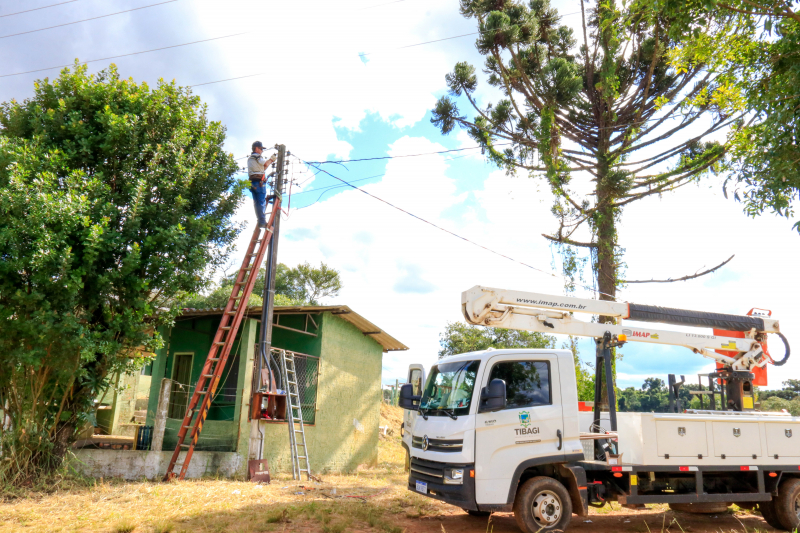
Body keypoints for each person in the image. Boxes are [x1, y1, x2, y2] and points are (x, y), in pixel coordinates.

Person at [248, 141, 276, 227]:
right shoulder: (257, 157)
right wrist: (272, 158)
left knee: (257, 202)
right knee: (261, 202)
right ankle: (262, 221)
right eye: (261, 149)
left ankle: (260, 220)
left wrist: (269, 162)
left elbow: (263, 167)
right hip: (259, 183)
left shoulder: (251, 159)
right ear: (256, 148)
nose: (262, 151)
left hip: (252, 183)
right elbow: (266, 163)